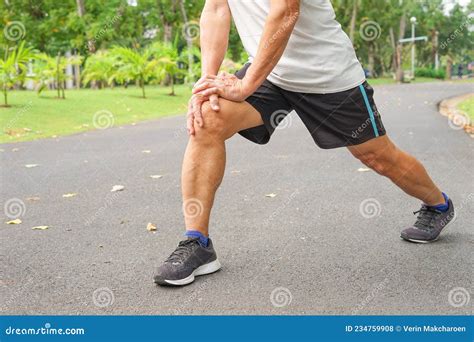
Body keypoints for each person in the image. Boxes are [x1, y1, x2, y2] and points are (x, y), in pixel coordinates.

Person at [153, 0, 455, 286]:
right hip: (270, 73)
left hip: (327, 76)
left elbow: (286, 11)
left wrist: (246, 85)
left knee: (378, 157)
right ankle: (198, 242)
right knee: (208, 119)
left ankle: (438, 204)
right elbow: (217, 9)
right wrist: (207, 82)